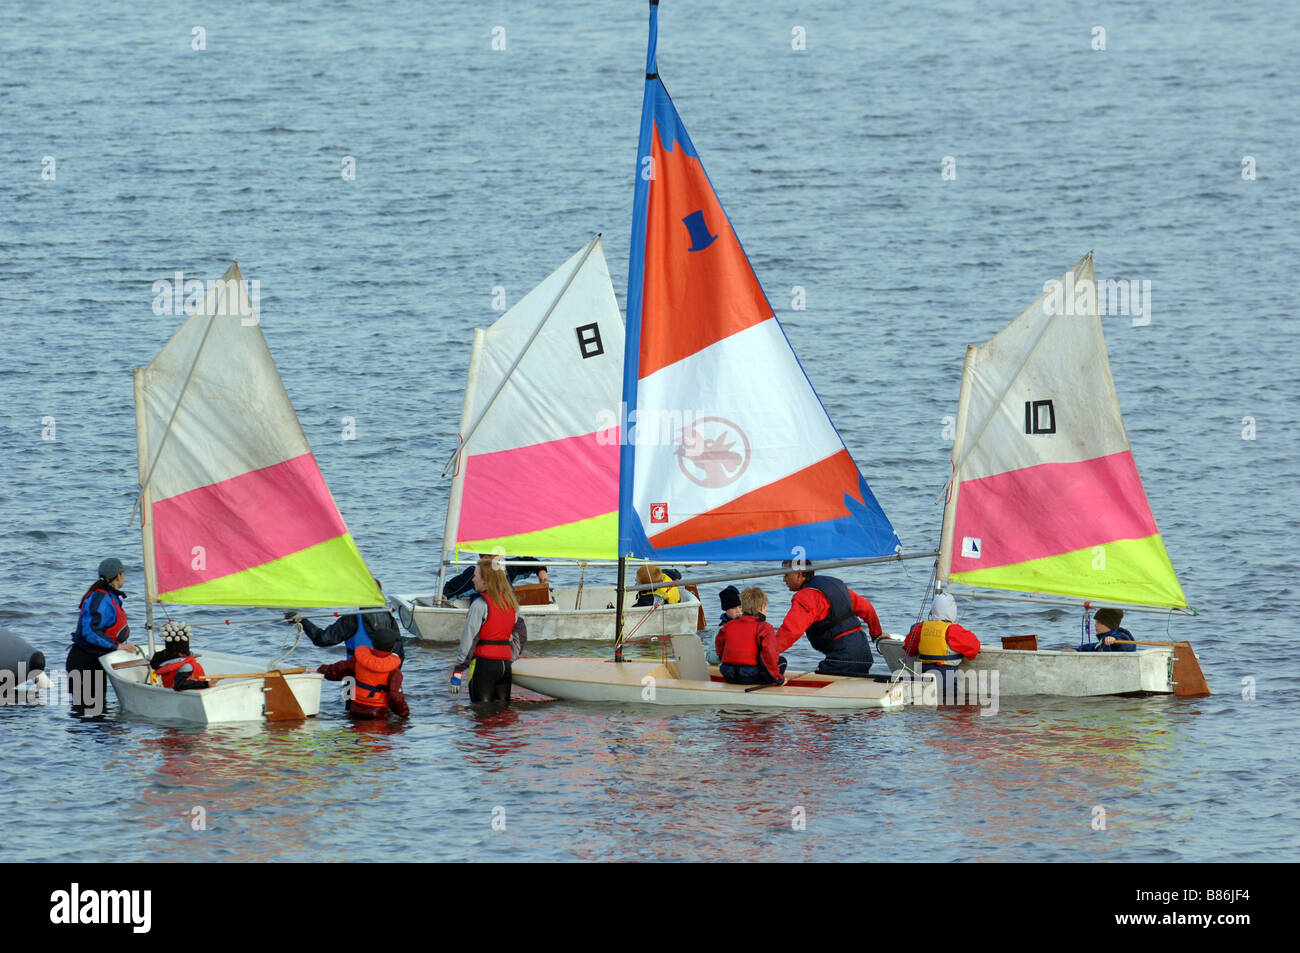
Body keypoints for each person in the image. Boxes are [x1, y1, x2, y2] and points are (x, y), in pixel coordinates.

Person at [774, 561, 884, 677]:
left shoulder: (806, 596)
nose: (784, 579)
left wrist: (769, 652)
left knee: (819, 684)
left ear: (799, 574)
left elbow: (791, 631)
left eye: (786, 575)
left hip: (843, 656)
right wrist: (877, 634)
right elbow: (867, 608)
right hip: (864, 652)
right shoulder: (833, 585)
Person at [451, 556, 526, 705]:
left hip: (484, 666)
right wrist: (510, 657)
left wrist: (459, 669)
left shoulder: (479, 605)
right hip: (505, 667)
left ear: (485, 580)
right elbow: (521, 636)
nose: (473, 580)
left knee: (481, 715)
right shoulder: (512, 604)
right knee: (502, 716)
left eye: (476, 576)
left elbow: (469, 638)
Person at [283, 579, 404, 660]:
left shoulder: (352, 619)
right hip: (384, 679)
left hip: (357, 676)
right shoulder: (390, 619)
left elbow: (323, 639)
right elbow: (399, 655)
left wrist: (303, 621)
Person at [67, 557, 135, 693]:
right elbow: (90, 631)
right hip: (84, 662)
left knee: (96, 711)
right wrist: (117, 646)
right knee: (89, 710)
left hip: (94, 661)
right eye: (123, 573)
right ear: (119, 576)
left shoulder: (110, 596)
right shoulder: (101, 599)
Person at [317, 623, 409, 720]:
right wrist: (405, 715)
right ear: (392, 647)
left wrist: (320, 670)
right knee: (395, 727)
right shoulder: (394, 671)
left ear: (373, 643)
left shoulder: (358, 660)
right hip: (378, 714)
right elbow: (396, 698)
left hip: (356, 710)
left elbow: (337, 670)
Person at [903, 592, 980, 704]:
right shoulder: (953, 630)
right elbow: (974, 648)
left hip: (924, 679)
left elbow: (908, 649)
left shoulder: (920, 628)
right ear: (953, 611)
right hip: (946, 682)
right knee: (955, 705)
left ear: (933, 610)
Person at [716, 587, 786, 685]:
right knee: (782, 661)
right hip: (750, 677)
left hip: (728, 674)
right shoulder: (765, 627)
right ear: (762, 607)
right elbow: (769, 654)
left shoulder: (727, 626)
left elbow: (719, 648)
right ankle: (773, 684)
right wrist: (778, 678)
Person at [442, 555, 547, 602]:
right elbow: (452, 587)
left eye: (502, 556)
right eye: (497, 557)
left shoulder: (507, 566)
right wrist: (445, 595)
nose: (502, 559)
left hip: (507, 610)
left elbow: (529, 562)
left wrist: (541, 570)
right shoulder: (473, 575)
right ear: (485, 559)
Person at [150, 624, 210, 691]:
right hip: (188, 697)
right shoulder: (187, 666)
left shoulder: (162, 661)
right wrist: (207, 684)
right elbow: (179, 684)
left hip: (170, 692)